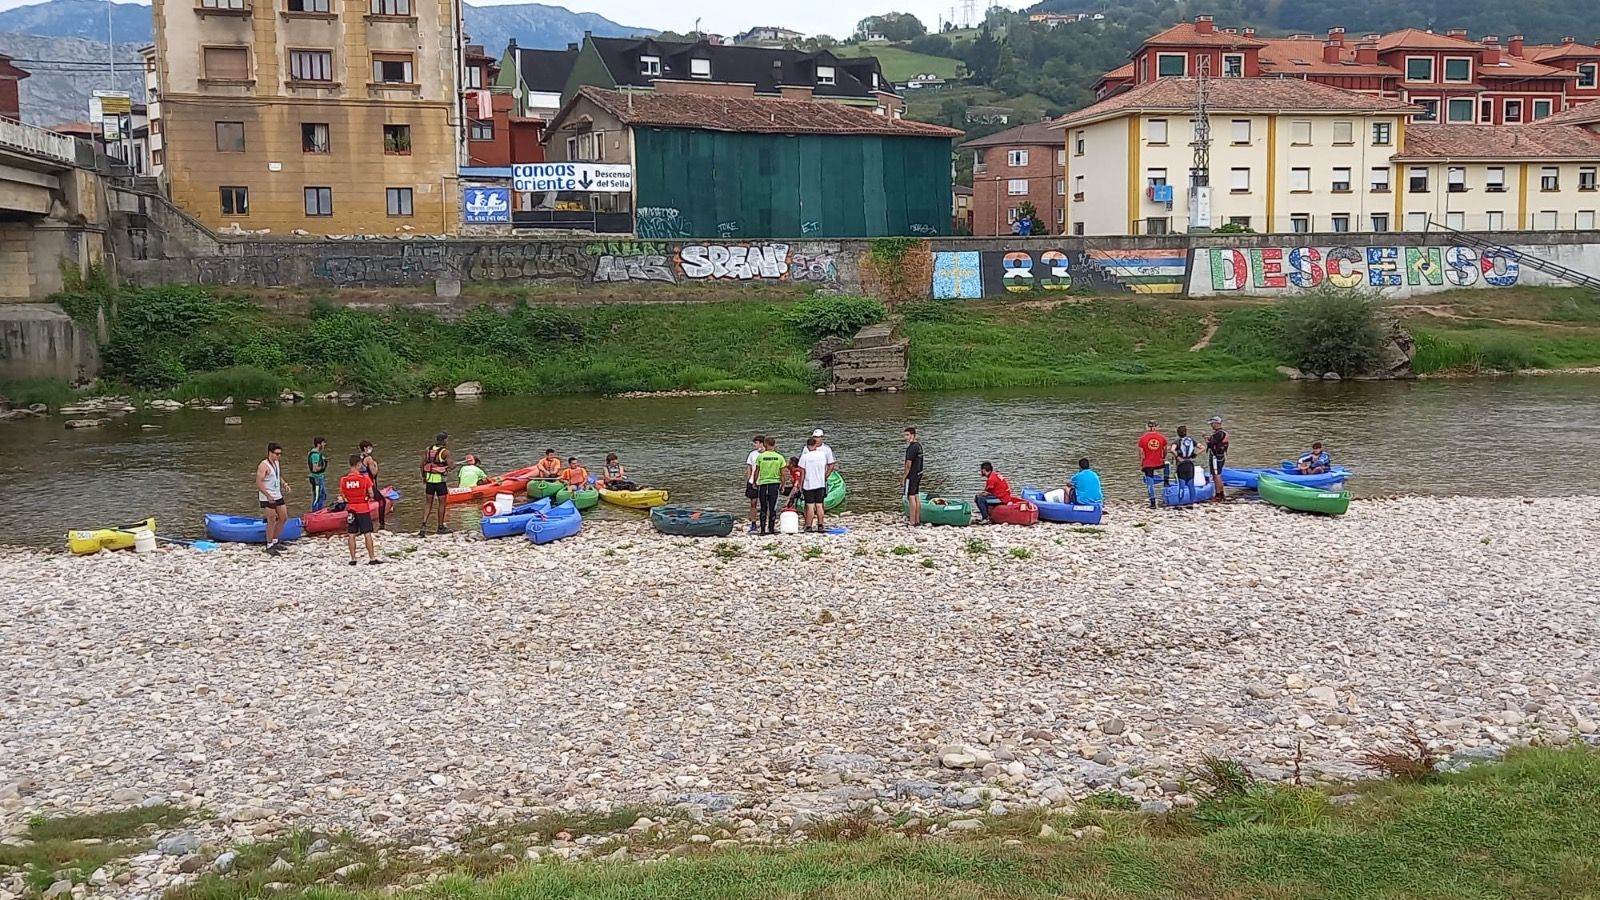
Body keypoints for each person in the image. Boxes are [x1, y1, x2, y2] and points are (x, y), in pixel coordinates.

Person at [339, 454, 383, 566]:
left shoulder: (344, 480)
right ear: (358, 464)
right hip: (363, 508)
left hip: (351, 509)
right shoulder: (365, 479)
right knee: (367, 533)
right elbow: (371, 494)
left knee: (351, 534)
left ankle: (353, 559)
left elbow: (343, 496)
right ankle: (372, 558)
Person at [256, 442, 290, 555]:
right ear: (270, 453)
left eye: (280, 454)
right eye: (276, 454)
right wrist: (268, 496)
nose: (278, 456)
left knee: (283, 517)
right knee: (271, 519)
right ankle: (269, 544)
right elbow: (258, 482)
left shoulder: (276, 463)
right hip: (267, 496)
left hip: (277, 493)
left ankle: (275, 540)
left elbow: (277, 475)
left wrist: (284, 484)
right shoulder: (263, 466)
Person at [798, 436, 833, 533]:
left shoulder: (805, 457)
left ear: (808, 446)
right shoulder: (822, 455)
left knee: (810, 506)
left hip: (809, 484)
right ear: (815, 445)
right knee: (819, 505)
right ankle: (820, 525)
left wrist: (800, 485)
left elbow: (802, 472)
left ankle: (809, 525)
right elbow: (826, 466)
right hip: (820, 483)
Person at [419, 432, 451, 536]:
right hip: (440, 482)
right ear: (444, 440)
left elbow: (422, 464)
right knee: (442, 504)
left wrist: (424, 477)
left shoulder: (428, 450)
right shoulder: (445, 452)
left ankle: (423, 525)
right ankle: (440, 527)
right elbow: (451, 465)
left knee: (428, 503)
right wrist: (448, 466)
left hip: (429, 481)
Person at [753, 437, 786, 536]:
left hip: (763, 484)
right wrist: (783, 484)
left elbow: (757, 471)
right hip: (774, 483)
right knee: (773, 506)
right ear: (774, 445)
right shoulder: (779, 457)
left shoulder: (761, 457)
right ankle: (771, 528)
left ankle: (762, 529)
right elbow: (782, 473)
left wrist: (754, 482)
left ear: (765, 445)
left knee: (763, 507)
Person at [1137, 420, 1170, 510]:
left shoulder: (1142, 439)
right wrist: (1163, 457)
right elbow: (1165, 450)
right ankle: (1166, 480)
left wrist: (1141, 463)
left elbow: (1141, 453)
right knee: (1167, 464)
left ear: (1147, 427)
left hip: (1148, 463)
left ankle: (1152, 502)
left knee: (1150, 481)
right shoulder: (1162, 438)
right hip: (1159, 462)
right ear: (1156, 427)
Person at [358, 441, 385, 532]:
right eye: (369, 447)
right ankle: (382, 523)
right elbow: (373, 473)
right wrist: (376, 466)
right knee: (382, 501)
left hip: (361, 484)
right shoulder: (368, 459)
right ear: (365, 448)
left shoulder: (359, 458)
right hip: (369, 484)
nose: (370, 449)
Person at [1172, 425, 1200, 506]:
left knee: (1182, 485)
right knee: (1191, 484)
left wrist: (1177, 456)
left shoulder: (1177, 442)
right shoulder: (1191, 440)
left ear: (1178, 433)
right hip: (1190, 464)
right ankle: (1191, 503)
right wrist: (1194, 454)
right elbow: (1202, 447)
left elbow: (1172, 450)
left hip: (1181, 465)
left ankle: (1180, 503)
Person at [902, 427, 924, 526]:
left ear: (913, 435)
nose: (905, 437)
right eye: (905, 435)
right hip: (919, 473)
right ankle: (917, 520)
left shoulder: (911, 448)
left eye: (907, 435)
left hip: (912, 475)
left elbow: (908, 465)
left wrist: (903, 478)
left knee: (911, 497)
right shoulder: (919, 446)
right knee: (916, 495)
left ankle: (912, 521)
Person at [1206, 416, 1230, 501]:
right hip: (1221, 456)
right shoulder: (1222, 433)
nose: (1211, 425)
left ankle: (1218, 494)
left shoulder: (1218, 433)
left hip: (1215, 457)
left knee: (1216, 475)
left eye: (1212, 424)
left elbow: (1211, 444)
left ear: (1216, 423)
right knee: (1218, 474)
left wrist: (1206, 439)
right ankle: (1221, 493)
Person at [744, 435, 764, 533]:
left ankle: (764, 522)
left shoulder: (767, 455)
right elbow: (749, 468)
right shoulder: (752, 454)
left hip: (764, 481)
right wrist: (748, 480)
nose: (754, 445)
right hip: (753, 482)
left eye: (756, 443)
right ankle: (753, 523)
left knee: (765, 503)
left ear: (762, 443)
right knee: (753, 503)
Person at [307, 437, 328, 512]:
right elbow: (315, 469)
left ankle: (320, 511)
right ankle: (315, 513)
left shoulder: (318, 454)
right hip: (316, 478)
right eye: (323, 443)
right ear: (319, 444)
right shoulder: (315, 455)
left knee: (323, 495)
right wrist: (323, 466)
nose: (324, 444)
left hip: (320, 478)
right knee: (317, 497)